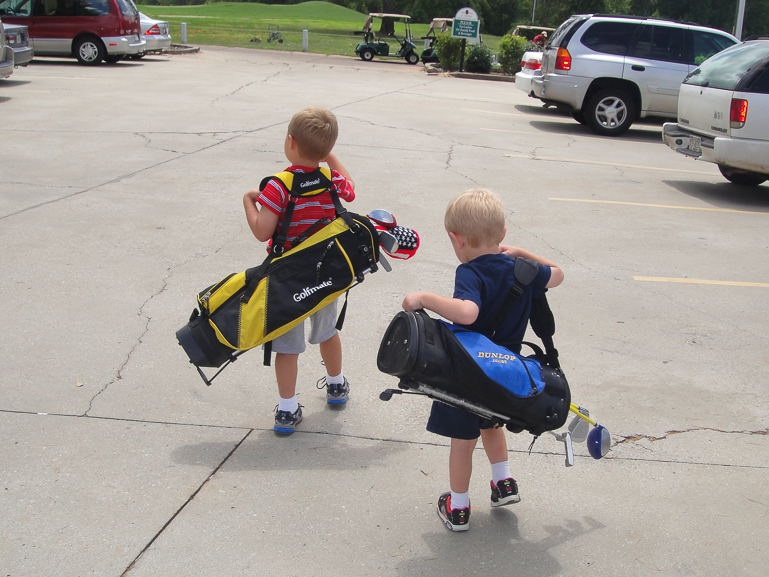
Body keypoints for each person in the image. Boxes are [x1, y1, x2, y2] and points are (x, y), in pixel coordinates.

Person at [401, 188, 564, 532]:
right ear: (503, 235)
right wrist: (522, 254)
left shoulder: (471, 273)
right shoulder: (521, 270)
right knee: (492, 424)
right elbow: (559, 273)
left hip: (467, 371)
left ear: (455, 239)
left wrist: (425, 297)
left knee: (462, 443)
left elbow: (469, 312)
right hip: (502, 373)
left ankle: (458, 507)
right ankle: (503, 484)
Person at [243, 106, 356, 435]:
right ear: (326, 149)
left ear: (290, 142)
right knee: (328, 332)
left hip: (287, 281)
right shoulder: (331, 180)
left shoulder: (279, 186)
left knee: (287, 347)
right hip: (325, 275)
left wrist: (250, 201)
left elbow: (263, 231)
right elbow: (350, 186)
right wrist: (328, 155)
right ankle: (335, 385)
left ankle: (288, 409)